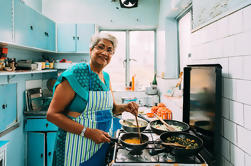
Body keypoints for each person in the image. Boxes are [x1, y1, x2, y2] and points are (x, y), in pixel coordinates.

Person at [46, 33, 139, 166]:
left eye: (109, 50)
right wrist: (88, 132)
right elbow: (52, 115)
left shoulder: (106, 77)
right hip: (75, 147)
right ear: (91, 50)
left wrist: (125, 107)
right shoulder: (76, 74)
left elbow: (112, 109)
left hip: (100, 145)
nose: (104, 53)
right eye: (100, 47)